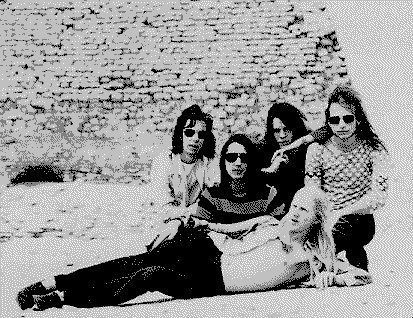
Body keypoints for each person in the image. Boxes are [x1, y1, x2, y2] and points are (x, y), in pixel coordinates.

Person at [16, 186, 372, 311]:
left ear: (317, 221)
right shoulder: (268, 225)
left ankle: (65, 297)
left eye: (304, 211)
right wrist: (198, 225)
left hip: (211, 283)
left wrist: (335, 279)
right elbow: (230, 228)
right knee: (139, 259)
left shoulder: (310, 261)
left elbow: (361, 276)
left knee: (149, 275)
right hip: (210, 254)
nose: (294, 214)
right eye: (295, 206)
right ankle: (53, 281)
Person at [304, 86, 390, 271]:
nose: (341, 125)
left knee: (347, 227)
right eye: (335, 120)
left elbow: (378, 197)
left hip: (360, 219)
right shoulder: (316, 150)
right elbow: (312, 193)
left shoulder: (375, 151)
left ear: (358, 119)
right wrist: (327, 218)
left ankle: (328, 259)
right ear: (328, 122)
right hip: (326, 220)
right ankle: (349, 262)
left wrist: (342, 213)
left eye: (347, 118)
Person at [258, 102, 310, 217]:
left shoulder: (307, 150)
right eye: (277, 130)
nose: (282, 136)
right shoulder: (264, 150)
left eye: (286, 129)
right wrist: (270, 171)